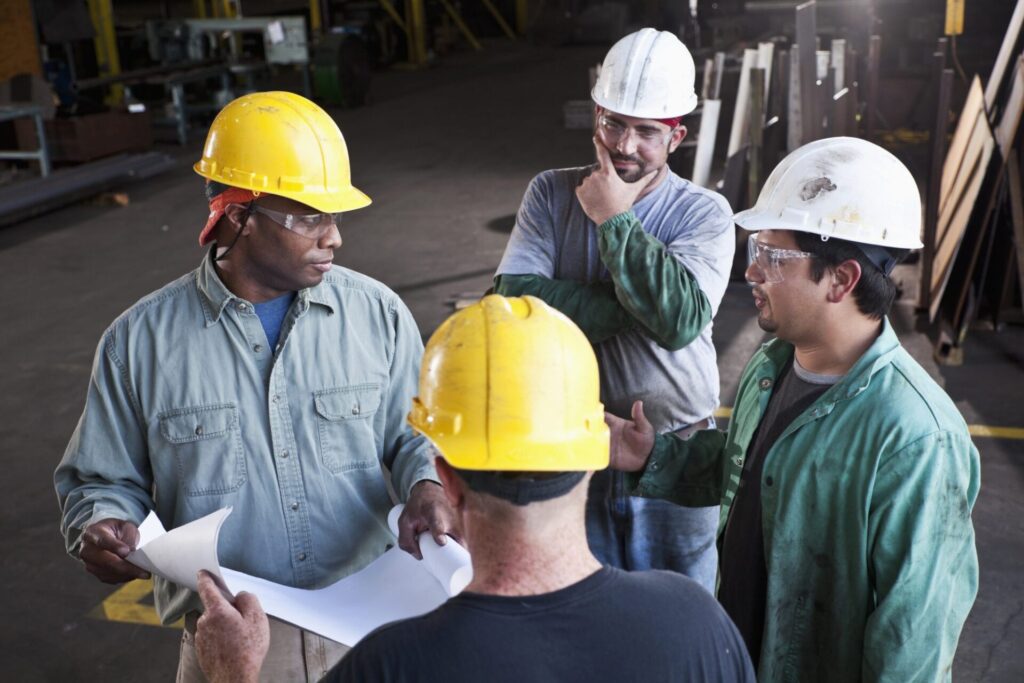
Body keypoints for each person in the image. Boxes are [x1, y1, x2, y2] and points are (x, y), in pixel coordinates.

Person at [54, 91, 457, 682]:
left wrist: (427, 483)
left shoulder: (378, 316)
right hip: (233, 646)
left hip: (375, 635)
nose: (333, 238)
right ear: (235, 215)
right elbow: (101, 481)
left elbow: (415, 435)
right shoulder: (137, 344)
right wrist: (105, 524)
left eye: (336, 216)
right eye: (309, 217)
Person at [191, 295, 755, 683]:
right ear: (594, 456)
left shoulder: (390, 666)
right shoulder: (694, 622)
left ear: (447, 480)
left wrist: (233, 674)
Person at [607, 137, 980, 681]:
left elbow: (913, 640)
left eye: (773, 257)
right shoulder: (772, 364)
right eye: (755, 251)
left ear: (843, 279)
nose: (752, 272)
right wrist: (654, 456)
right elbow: (756, 472)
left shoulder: (915, 435)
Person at [493, 28, 735, 590]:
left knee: (679, 614)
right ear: (596, 116)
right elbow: (511, 310)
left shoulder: (705, 214)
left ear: (676, 137)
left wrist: (613, 220)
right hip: (572, 456)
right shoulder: (550, 194)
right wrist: (639, 299)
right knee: (583, 612)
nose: (625, 145)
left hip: (676, 454)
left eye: (646, 131)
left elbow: (678, 322)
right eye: (614, 124)